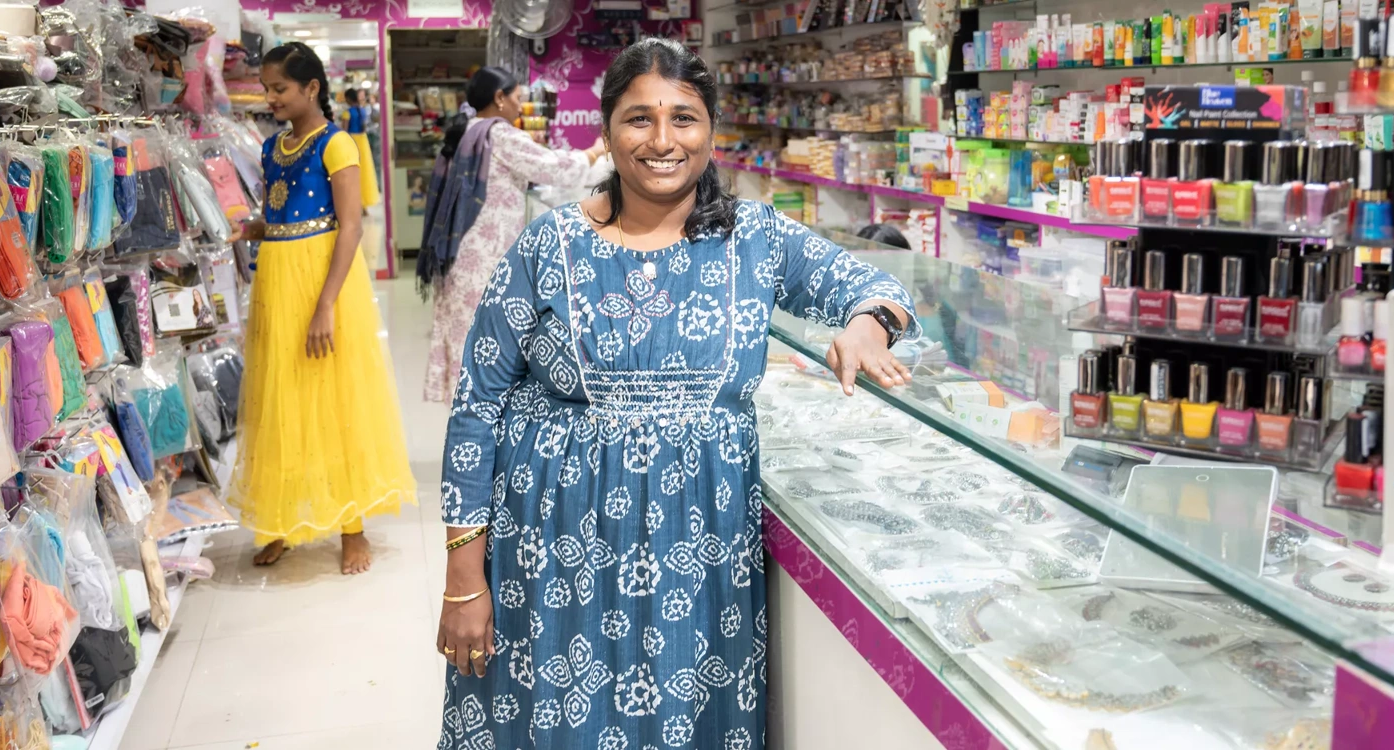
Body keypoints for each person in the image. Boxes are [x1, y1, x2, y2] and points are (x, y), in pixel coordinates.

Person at [435, 39, 916, 748]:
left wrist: (870, 326)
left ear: (712, 131)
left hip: (699, 555)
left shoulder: (755, 238)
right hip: (555, 552)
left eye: (684, 119)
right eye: (639, 119)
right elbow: (476, 408)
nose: (663, 141)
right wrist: (463, 578)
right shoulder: (550, 246)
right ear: (605, 133)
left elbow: (879, 286)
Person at [230, 42, 417, 575]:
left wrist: (326, 304)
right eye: (266, 88)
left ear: (312, 88)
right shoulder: (271, 148)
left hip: (323, 283)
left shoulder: (337, 144)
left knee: (333, 399)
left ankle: (351, 526)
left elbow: (351, 225)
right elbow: (280, 213)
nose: (269, 98)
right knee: (281, 398)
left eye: (279, 89)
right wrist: (251, 229)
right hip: (277, 280)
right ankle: (281, 520)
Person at [418, 66, 608, 403]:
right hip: (487, 258)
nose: (521, 106)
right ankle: (484, 415)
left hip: (460, 254)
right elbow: (556, 168)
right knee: (488, 342)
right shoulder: (500, 136)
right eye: (518, 98)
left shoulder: (466, 132)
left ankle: (467, 411)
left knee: (465, 337)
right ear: (499, 98)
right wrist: (595, 150)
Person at [342, 87, 381, 211]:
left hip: (352, 141)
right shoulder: (363, 111)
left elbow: (344, 131)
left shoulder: (347, 113)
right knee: (365, 171)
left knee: (352, 172)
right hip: (363, 141)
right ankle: (364, 205)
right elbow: (364, 127)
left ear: (348, 99)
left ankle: (354, 204)